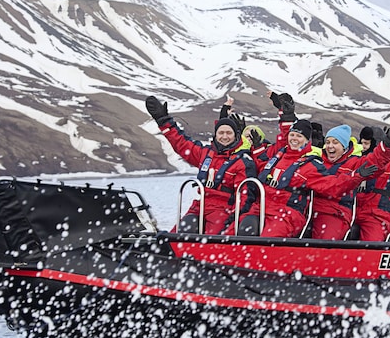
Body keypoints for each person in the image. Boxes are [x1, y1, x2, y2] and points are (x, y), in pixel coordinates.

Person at [233, 94, 376, 238]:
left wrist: (357, 176)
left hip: (288, 212)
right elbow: (261, 168)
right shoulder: (279, 156)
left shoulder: (310, 164)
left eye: (299, 136)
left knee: (269, 239)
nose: (294, 138)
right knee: (240, 230)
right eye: (292, 135)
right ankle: (231, 257)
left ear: (307, 141)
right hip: (264, 207)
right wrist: (257, 149)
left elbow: (333, 186)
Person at [145, 95, 257, 234]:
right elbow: (181, 144)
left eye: (229, 133)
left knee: (213, 241)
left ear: (236, 135)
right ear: (215, 135)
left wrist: (235, 218)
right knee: (176, 236)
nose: (224, 136)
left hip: (223, 210)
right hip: (200, 206)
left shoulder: (243, 162)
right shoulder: (205, 153)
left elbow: (246, 196)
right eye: (221, 133)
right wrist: (164, 121)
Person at [308, 122, 390, 240]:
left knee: (324, 243)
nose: (330, 146)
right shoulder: (316, 161)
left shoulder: (353, 163)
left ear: (344, 146)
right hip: (309, 210)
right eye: (327, 142)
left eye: (335, 142)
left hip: (334, 213)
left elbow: (375, 162)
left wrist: (388, 146)